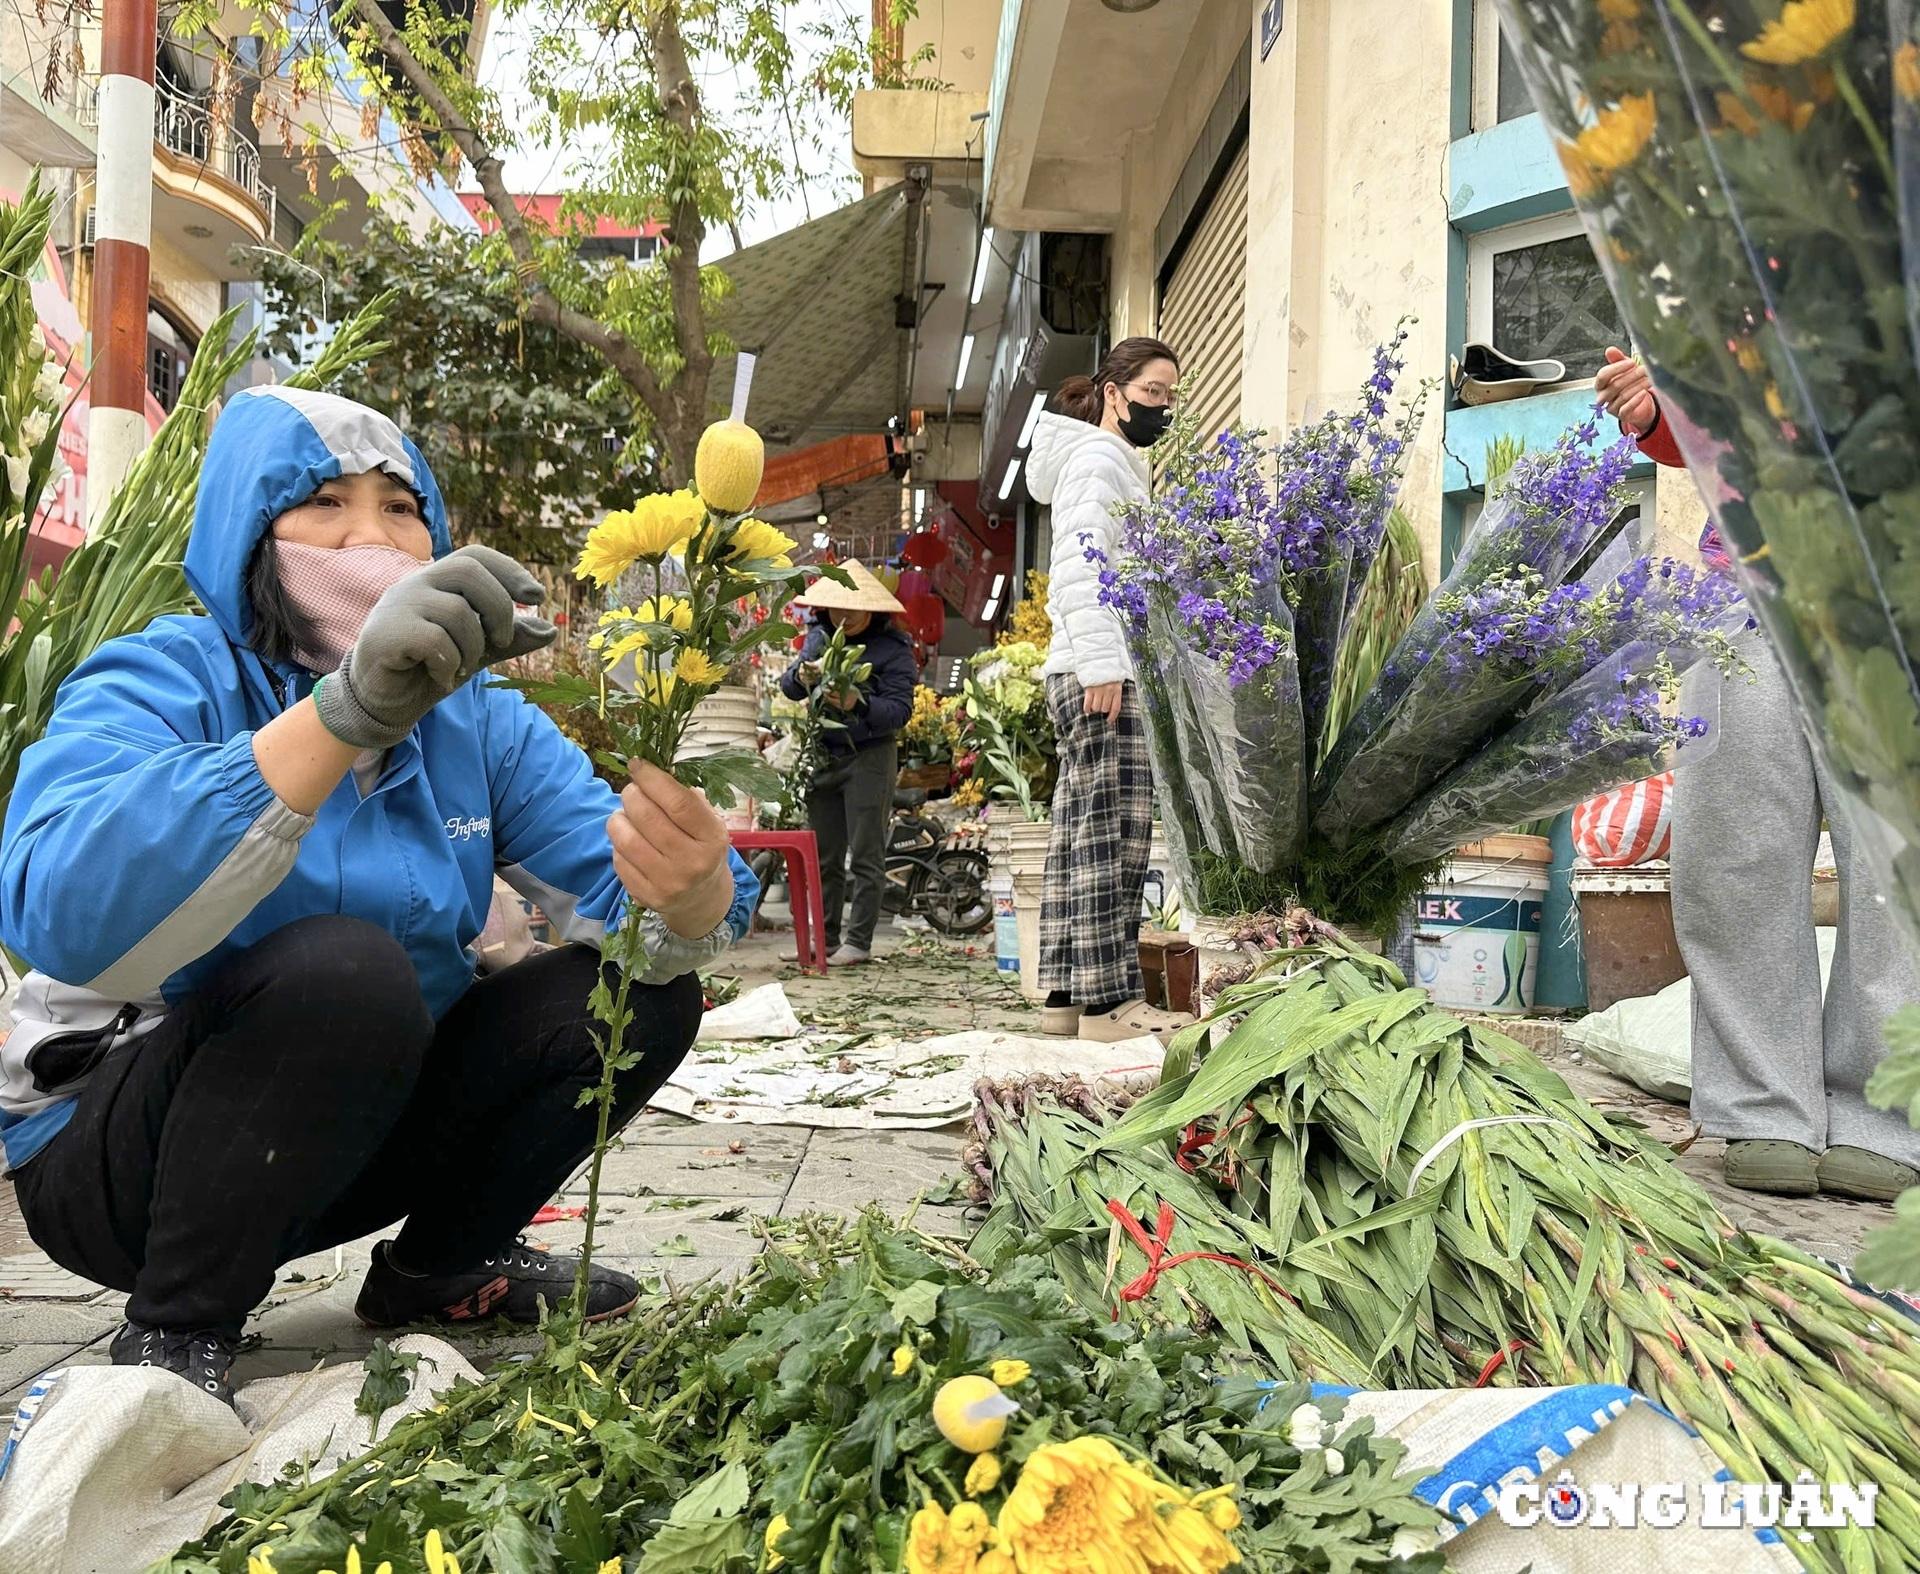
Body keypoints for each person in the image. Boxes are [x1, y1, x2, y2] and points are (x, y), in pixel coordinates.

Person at [0, 388, 759, 1403]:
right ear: (247, 532)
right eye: (323, 503)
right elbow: (59, 903)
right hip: (118, 1157)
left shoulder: (476, 721)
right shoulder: (163, 675)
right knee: (346, 968)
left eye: (400, 506)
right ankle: (179, 1327)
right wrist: (339, 718)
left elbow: (618, 879)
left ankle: (442, 1267)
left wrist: (698, 892)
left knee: (638, 995)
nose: (372, 535)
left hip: (334, 1130)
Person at [1595, 348, 1920, 1201]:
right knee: (1733, 851)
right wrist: (1656, 407)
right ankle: (1761, 1108)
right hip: (1743, 589)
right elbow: (1708, 413)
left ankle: (1883, 1117)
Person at [1026, 338, 1196, 1045]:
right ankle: (1108, 1006)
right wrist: (1104, 665)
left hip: (1088, 667)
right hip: (1101, 672)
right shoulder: (1100, 460)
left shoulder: (1105, 462)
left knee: (1078, 835)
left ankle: (1068, 996)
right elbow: (1079, 567)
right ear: (1114, 392)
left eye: (1171, 396)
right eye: (1153, 392)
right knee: (1114, 840)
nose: (1163, 407)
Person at [779, 562, 916, 966]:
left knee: (866, 853)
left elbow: (899, 711)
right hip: (823, 753)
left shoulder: (894, 650)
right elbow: (789, 689)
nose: (844, 617)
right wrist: (803, 676)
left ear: (873, 610)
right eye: (837, 608)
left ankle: (859, 942)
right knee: (823, 855)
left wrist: (859, 703)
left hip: (870, 757)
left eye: (853, 609)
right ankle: (825, 939)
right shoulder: (818, 638)